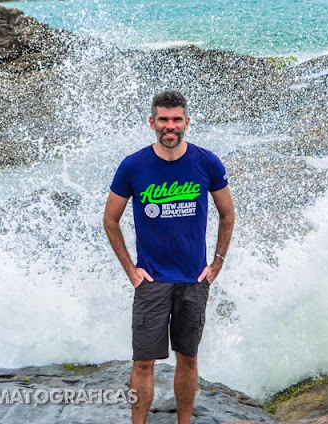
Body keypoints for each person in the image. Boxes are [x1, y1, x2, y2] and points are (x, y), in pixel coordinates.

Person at [103, 90, 235, 424]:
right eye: (163, 119)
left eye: (176, 119)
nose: (170, 126)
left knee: (187, 359)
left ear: (187, 122)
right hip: (152, 282)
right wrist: (131, 269)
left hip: (194, 280)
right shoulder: (133, 166)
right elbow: (110, 220)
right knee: (143, 363)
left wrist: (217, 261)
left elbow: (228, 214)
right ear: (152, 122)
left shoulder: (207, 162)